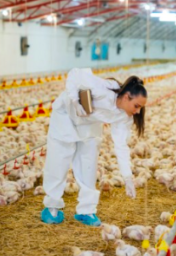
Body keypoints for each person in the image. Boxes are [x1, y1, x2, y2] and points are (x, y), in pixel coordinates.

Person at [41, 68, 147, 226]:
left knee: (89, 165)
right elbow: (75, 75)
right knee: (59, 160)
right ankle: (52, 207)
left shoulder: (124, 116)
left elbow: (121, 145)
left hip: (89, 123)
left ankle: (86, 210)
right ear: (126, 97)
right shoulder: (104, 89)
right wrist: (75, 101)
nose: (138, 111)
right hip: (66, 116)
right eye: (137, 106)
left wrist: (127, 177)